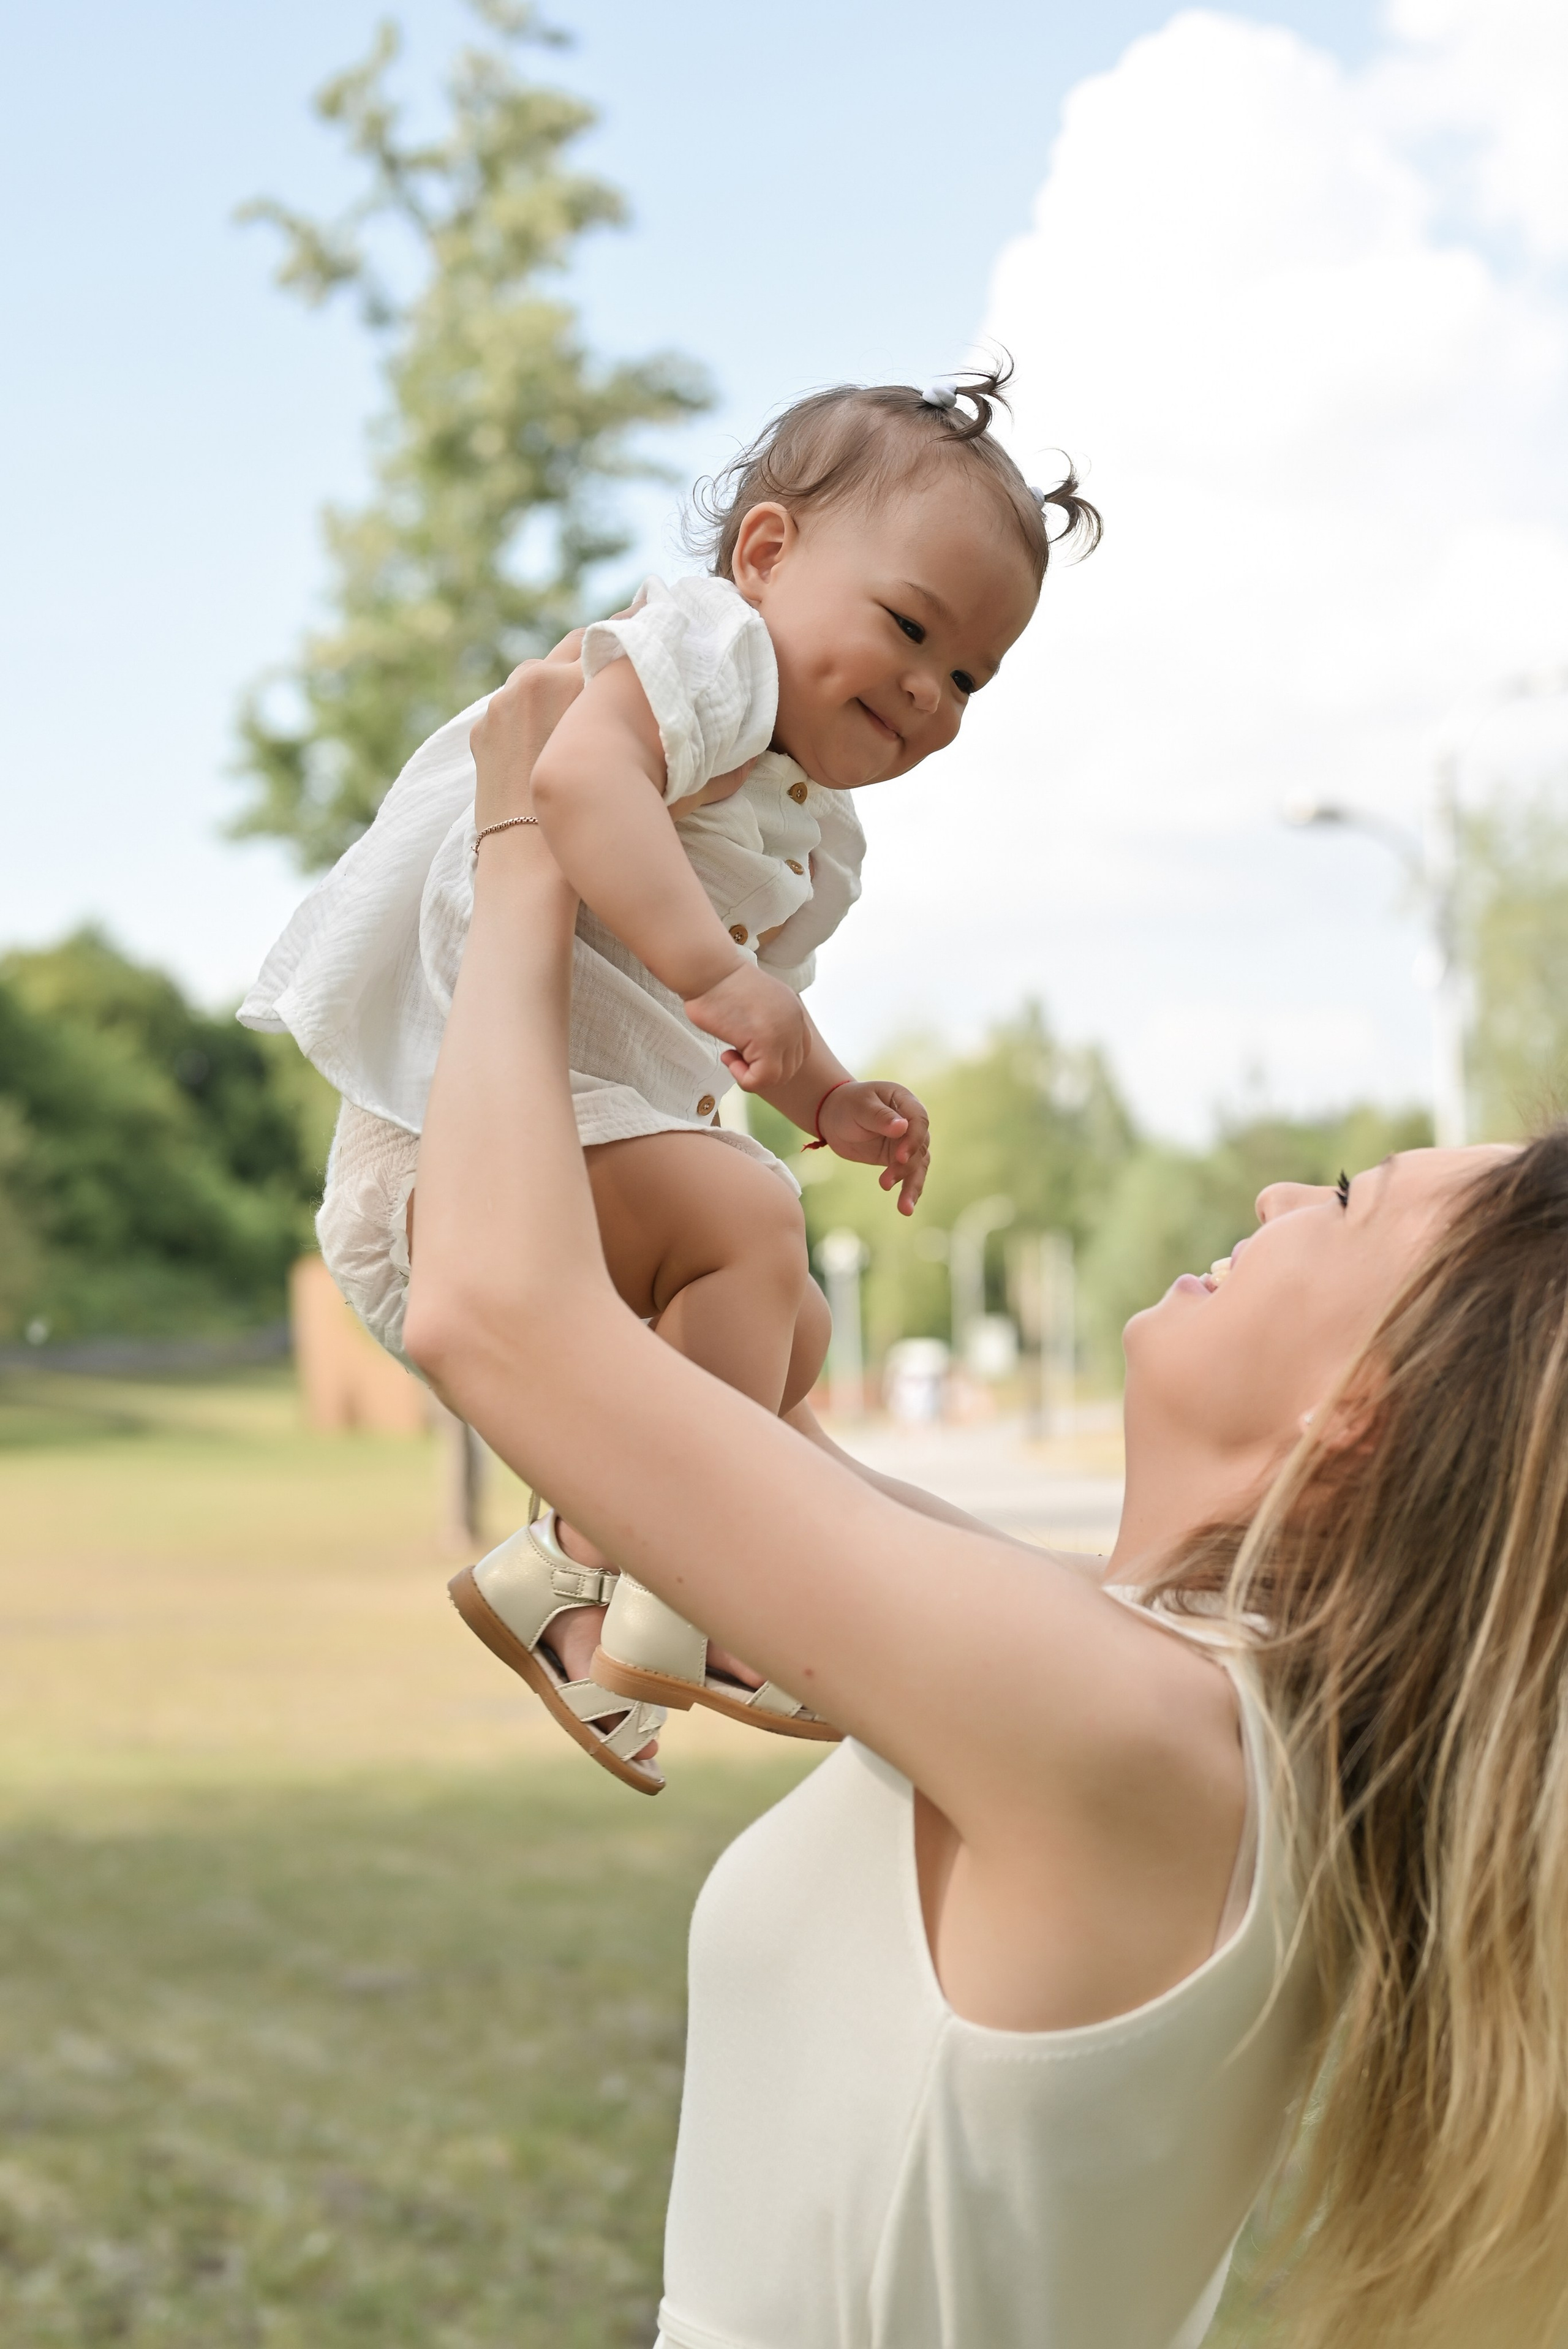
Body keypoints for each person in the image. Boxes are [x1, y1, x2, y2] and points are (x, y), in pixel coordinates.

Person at [403, 653, 1568, 2348]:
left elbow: (496, 1314)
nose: (1269, 1189)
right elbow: (722, 1425)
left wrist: (522, 842)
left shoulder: (1146, 1744)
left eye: (1338, 1197)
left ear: (1356, 1411)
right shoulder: (1154, 1698)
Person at [241, 366, 1099, 1787]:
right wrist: (713, 969)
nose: (924, 691)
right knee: (751, 1230)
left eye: (965, 676)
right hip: (445, 1161)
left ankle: (574, 1573)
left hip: (582, 1164)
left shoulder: (812, 837)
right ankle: (639, 1562)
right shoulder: (707, 655)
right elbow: (577, 789)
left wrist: (822, 1093)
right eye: (905, 626)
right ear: (764, 556)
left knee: (795, 1338)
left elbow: (734, 1028)